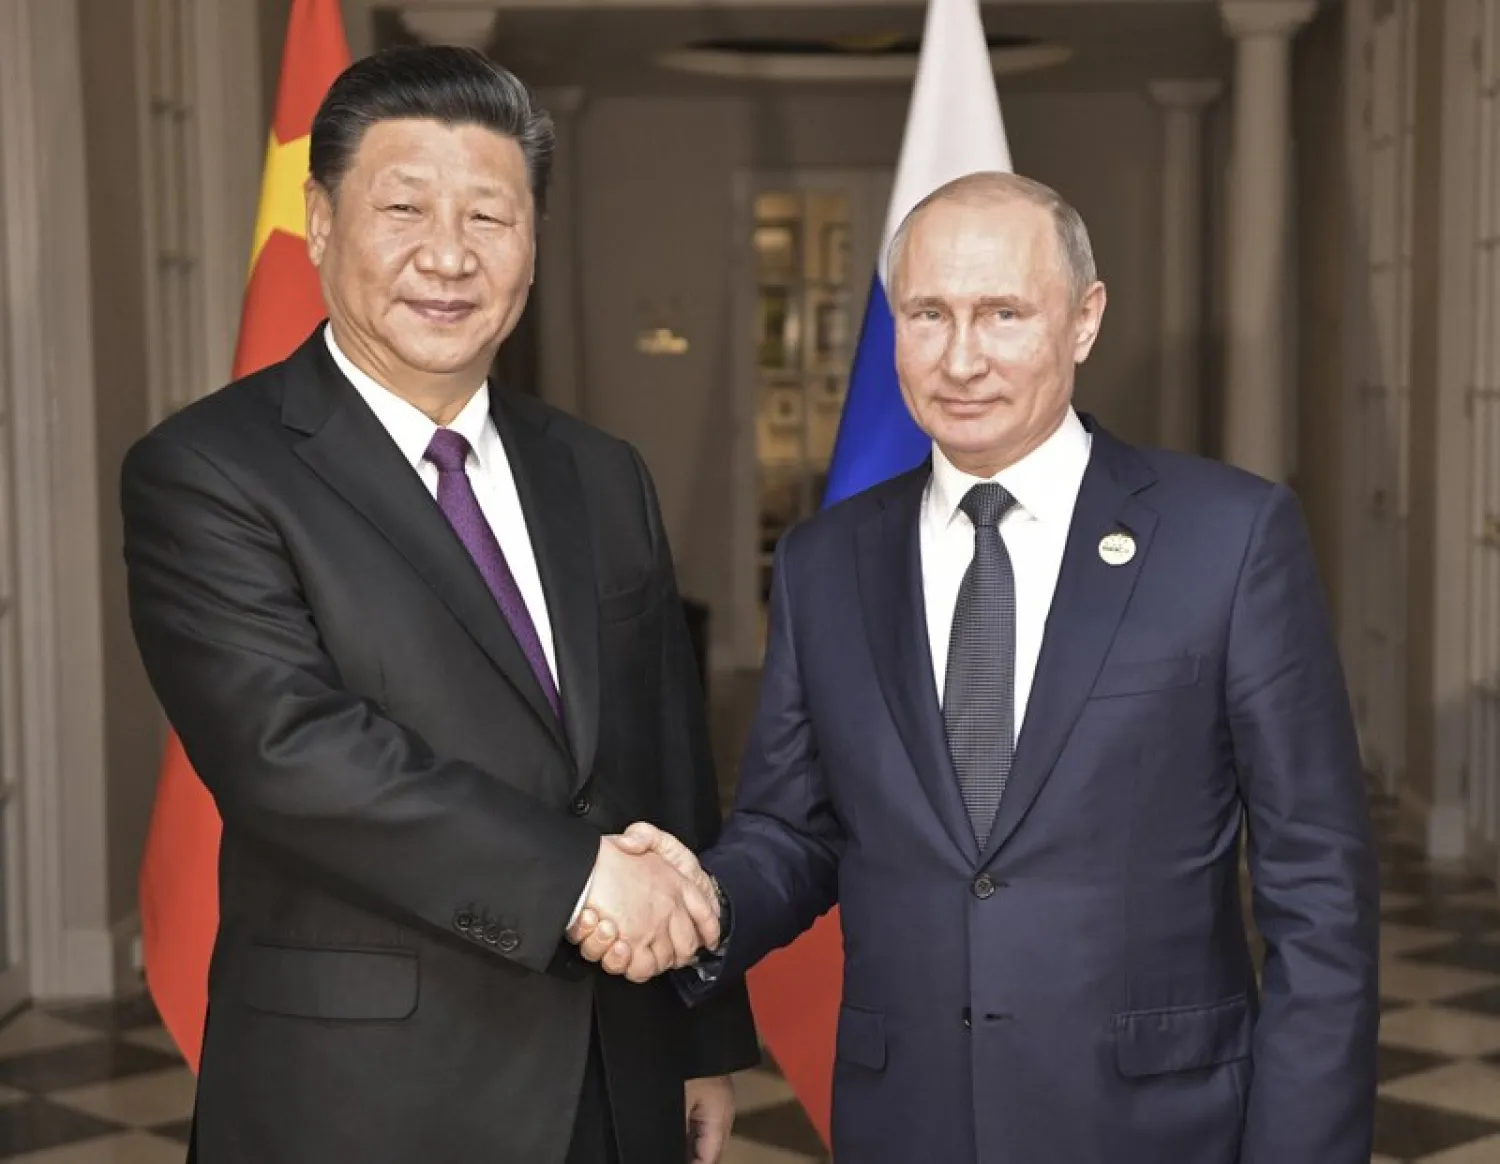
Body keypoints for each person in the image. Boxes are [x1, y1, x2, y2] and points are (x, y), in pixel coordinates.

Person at [573, 171, 1380, 1163]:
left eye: (1003, 313)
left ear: (1084, 321)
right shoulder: (826, 562)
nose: (961, 359)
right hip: (907, 1121)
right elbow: (795, 828)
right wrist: (698, 900)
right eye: (927, 314)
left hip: (1160, 1128)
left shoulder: (1230, 537)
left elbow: (1321, 889)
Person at [121, 45, 755, 1164]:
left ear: (534, 243)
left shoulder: (601, 473)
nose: (448, 257)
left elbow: (662, 758)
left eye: (489, 217)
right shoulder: (210, 471)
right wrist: (578, 878)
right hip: (362, 1094)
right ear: (319, 222)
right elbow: (293, 753)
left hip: (616, 1070)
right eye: (404, 207)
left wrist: (701, 1032)